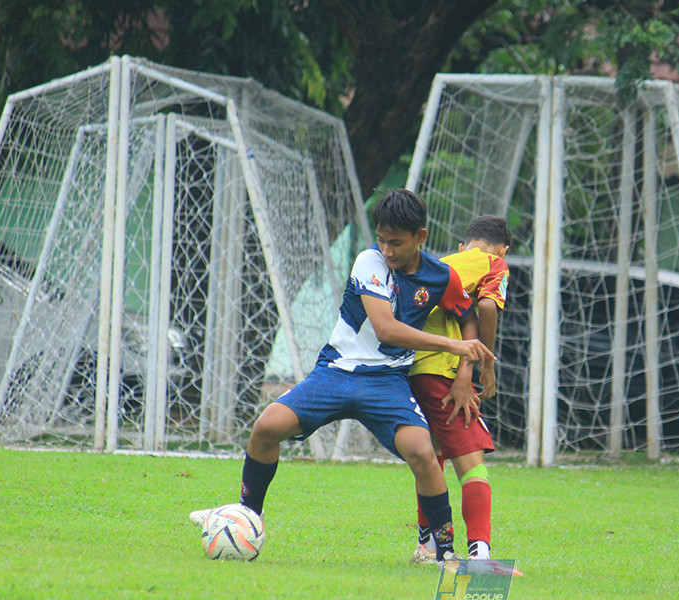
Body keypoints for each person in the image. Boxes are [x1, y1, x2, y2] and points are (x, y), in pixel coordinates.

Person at [190, 189, 494, 563]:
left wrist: (466, 371)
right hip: (337, 371)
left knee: (423, 453)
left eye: (396, 243)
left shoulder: (441, 276)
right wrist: (453, 348)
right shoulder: (369, 261)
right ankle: (247, 515)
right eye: (382, 240)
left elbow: (467, 315)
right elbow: (385, 328)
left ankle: (444, 555)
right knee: (266, 428)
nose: (387, 250)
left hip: (387, 382)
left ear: (421, 237)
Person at [406, 215, 513, 565]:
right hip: (443, 371)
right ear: (503, 250)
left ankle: (427, 545)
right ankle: (479, 557)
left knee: (434, 454)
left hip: (413, 367)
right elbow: (485, 306)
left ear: (461, 246)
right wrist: (485, 364)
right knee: (473, 465)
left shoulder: (443, 262)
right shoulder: (494, 263)